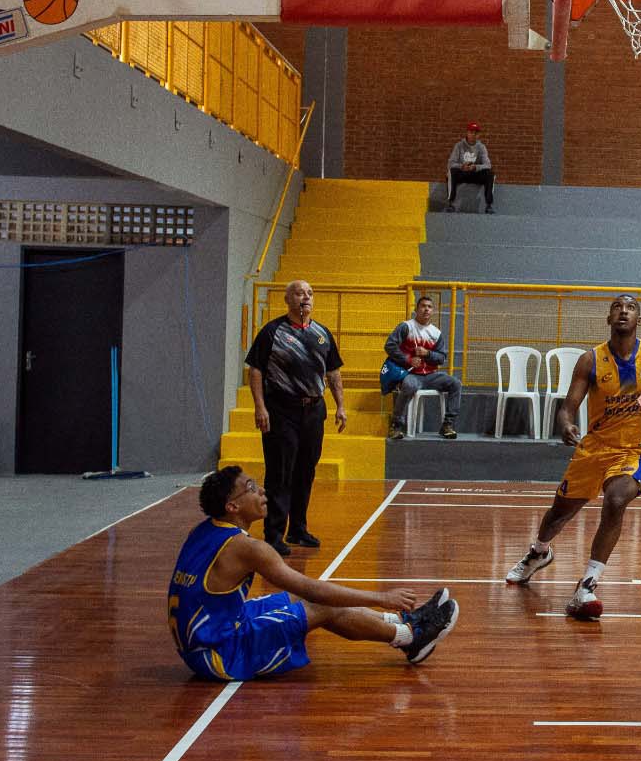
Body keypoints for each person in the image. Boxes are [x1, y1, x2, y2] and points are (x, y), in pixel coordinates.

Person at [170, 466, 458, 679]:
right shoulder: (246, 548)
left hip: (204, 640)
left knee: (294, 599)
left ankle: (403, 622)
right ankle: (411, 638)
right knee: (321, 604)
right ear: (232, 506)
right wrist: (381, 597)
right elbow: (313, 590)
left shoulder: (204, 530)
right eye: (251, 487)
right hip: (221, 653)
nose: (262, 492)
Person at [505, 296, 641, 621]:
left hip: (633, 450)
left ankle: (586, 586)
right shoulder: (591, 360)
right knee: (558, 514)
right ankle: (538, 552)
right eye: (618, 307)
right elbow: (568, 406)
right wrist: (566, 424)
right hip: (594, 448)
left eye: (630, 308)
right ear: (608, 317)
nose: (624, 311)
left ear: (639, 320)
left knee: (616, 500)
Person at [246, 281, 347, 556]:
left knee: (306, 470)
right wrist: (260, 407)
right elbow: (255, 370)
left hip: (314, 410)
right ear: (287, 299)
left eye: (311, 293)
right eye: (300, 293)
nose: (306, 297)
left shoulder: (322, 333)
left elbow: (334, 372)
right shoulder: (272, 332)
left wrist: (340, 406)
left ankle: (298, 529)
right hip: (281, 410)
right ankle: (274, 534)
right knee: (280, 472)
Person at [383, 295, 462, 440]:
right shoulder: (406, 327)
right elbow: (389, 346)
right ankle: (396, 426)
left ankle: (447, 425)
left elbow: (441, 358)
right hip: (411, 374)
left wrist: (428, 353)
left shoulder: (436, 333)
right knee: (409, 385)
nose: (426, 309)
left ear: (433, 311)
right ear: (416, 309)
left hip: (431, 375)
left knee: (455, 383)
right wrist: (408, 359)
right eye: (423, 306)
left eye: (430, 307)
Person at [445, 121, 494, 213]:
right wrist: (462, 166)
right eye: (471, 132)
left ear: (478, 135)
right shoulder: (459, 146)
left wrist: (475, 167)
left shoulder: (481, 147)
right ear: (467, 133)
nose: (473, 135)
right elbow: (450, 163)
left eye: (476, 133)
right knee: (451, 171)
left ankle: (489, 205)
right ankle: (451, 203)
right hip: (462, 173)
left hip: (475, 174)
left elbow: (488, 164)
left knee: (490, 173)